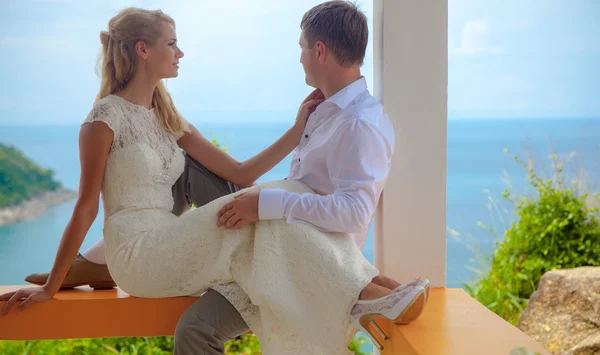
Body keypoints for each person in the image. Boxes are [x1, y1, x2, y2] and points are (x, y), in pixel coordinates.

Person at [3, 2, 428, 354]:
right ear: (142, 50)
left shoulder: (170, 119)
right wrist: (53, 286)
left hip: (173, 237)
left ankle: (374, 291)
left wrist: (297, 129)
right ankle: (375, 291)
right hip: (138, 254)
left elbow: (242, 174)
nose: (181, 53)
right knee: (268, 207)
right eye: (172, 44)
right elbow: (85, 207)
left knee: (266, 209)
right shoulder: (103, 120)